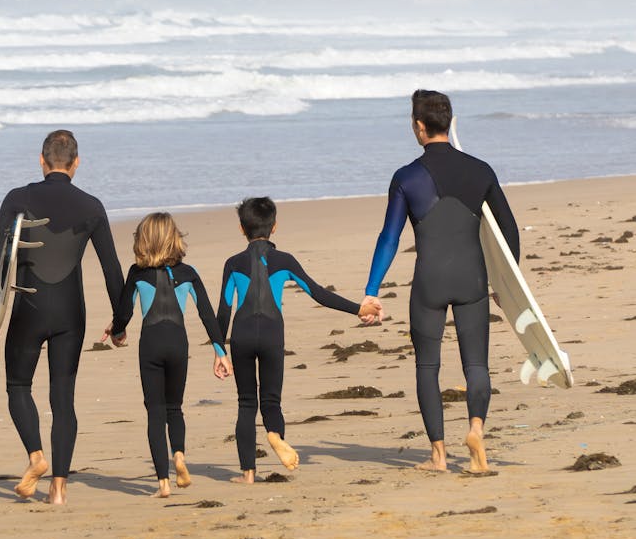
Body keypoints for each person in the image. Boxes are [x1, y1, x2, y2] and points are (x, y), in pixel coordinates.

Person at [364, 90, 520, 474]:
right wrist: (506, 286)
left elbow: (389, 237)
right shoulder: (481, 169)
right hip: (472, 279)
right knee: (477, 365)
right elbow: (509, 230)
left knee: (427, 366)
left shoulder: (406, 177)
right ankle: (477, 430)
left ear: (419, 126)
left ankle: (438, 456)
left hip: (429, 282)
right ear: (449, 123)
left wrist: (371, 290)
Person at [0, 130, 124, 505]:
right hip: (71, 314)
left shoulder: (18, 198)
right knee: (63, 399)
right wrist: (121, 322)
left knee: (18, 386)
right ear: (76, 163)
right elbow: (112, 270)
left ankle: (35, 456)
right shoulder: (92, 206)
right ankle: (58, 491)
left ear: (41, 161)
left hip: (28, 309)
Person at [217, 196, 382, 483]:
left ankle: (247, 474)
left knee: (246, 402)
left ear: (242, 229)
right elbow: (318, 293)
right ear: (275, 227)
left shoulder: (232, 264)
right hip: (271, 335)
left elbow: (223, 311)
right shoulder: (285, 260)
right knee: (271, 400)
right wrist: (358, 309)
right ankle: (274, 436)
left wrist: (220, 350)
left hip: (241, 336)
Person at [103, 212, 232, 497]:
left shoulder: (137, 274)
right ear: (175, 238)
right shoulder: (188, 273)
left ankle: (163, 483)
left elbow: (124, 313)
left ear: (142, 240)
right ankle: (180, 457)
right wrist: (220, 351)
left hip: (150, 345)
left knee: (155, 411)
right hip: (178, 344)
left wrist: (116, 332)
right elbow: (207, 315)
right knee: (175, 408)